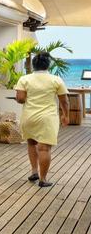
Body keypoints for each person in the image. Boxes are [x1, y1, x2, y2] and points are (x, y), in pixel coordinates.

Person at [15, 52, 69, 188]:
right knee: (44, 149)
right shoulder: (56, 80)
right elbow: (64, 101)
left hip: (29, 117)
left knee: (31, 143)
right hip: (47, 118)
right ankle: (43, 179)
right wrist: (65, 115)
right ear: (48, 65)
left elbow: (20, 99)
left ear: (34, 65)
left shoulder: (24, 79)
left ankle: (34, 172)